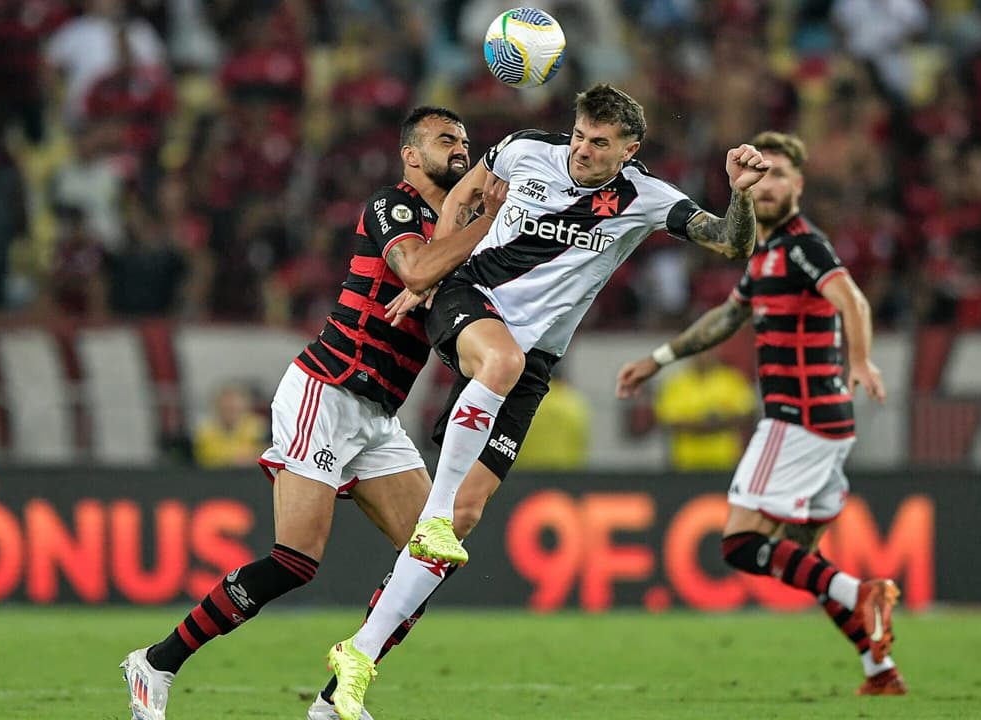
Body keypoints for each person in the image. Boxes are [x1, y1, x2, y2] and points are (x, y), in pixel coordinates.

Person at [325, 83, 769, 720]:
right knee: (493, 378)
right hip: (470, 301)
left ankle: (356, 661)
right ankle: (433, 517)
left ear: (629, 149)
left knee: (469, 513)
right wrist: (430, 276)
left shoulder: (643, 197)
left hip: (532, 364)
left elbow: (731, 241)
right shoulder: (524, 149)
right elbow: (461, 196)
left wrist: (741, 195)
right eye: (581, 136)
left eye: (601, 144)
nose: (584, 152)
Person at [119, 105, 507, 720]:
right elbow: (413, 266)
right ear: (411, 154)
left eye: (464, 139)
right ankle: (156, 663)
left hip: (378, 415)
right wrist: (482, 228)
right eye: (444, 139)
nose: (459, 147)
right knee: (296, 559)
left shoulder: (456, 229)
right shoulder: (394, 204)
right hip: (325, 390)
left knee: (433, 554)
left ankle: (334, 702)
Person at [615, 131, 906, 696]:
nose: (767, 184)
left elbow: (853, 300)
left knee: (741, 545)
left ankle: (863, 594)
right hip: (827, 426)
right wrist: (658, 360)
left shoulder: (804, 245)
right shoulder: (766, 253)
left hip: (796, 419)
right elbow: (727, 318)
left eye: (778, 175)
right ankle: (880, 669)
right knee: (802, 559)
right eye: (760, 173)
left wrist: (862, 361)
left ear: (798, 184)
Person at [652, 348, 757, 470]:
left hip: (724, 459)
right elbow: (668, 420)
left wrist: (709, 422)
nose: (703, 356)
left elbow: (747, 414)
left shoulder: (732, 380)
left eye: (707, 351)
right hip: (685, 462)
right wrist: (707, 424)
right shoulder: (675, 384)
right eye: (699, 352)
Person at [192, 382, 265, 469]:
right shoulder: (205, 432)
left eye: (233, 408)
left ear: (244, 407)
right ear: (217, 407)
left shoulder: (257, 427)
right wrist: (239, 458)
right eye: (226, 408)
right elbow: (208, 457)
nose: (230, 411)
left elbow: (265, 454)